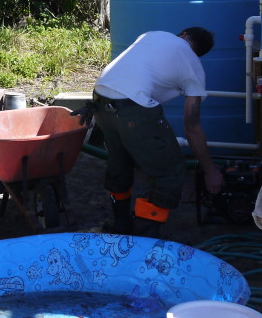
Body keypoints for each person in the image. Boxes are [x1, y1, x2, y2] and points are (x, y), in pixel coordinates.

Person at [91, 28, 224, 238]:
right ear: (199, 53)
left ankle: (121, 228)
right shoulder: (193, 65)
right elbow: (192, 126)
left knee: (120, 165)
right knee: (170, 172)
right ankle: (144, 239)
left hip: (99, 98)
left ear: (183, 34)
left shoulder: (151, 35)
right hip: (133, 106)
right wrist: (210, 170)